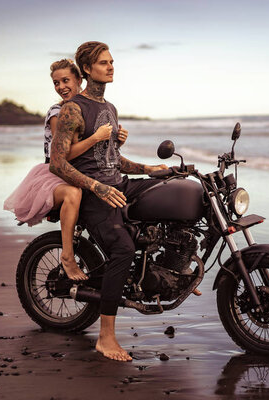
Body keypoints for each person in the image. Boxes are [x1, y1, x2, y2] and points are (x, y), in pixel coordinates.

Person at [49, 41, 168, 361]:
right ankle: (106, 337)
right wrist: (97, 189)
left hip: (119, 184)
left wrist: (151, 169)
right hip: (92, 193)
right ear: (87, 69)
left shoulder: (111, 109)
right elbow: (57, 163)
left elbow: (112, 159)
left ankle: (175, 272)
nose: (111, 66)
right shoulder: (74, 107)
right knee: (123, 249)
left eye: (112, 61)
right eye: (103, 62)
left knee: (170, 195)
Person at [4, 58, 128, 281]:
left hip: (78, 170)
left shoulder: (89, 108)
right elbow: (61, 156)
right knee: (74, 193)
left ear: (80, 80)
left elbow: (97, 154)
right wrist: (94, 138)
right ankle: (67, 256)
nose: (61, 87)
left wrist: (116, 142)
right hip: (55, 174)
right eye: (56, 83)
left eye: (65, 80)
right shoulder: (57, 113)